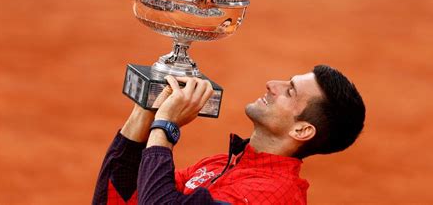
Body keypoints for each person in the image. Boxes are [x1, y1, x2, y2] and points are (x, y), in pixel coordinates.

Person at [92, 65, 366, 204]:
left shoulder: (269, 195)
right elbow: (120, 197)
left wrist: (166, 125)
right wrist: (145, 112)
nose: (272, 85)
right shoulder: (218, 165)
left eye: (290, 90)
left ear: (302, 130)